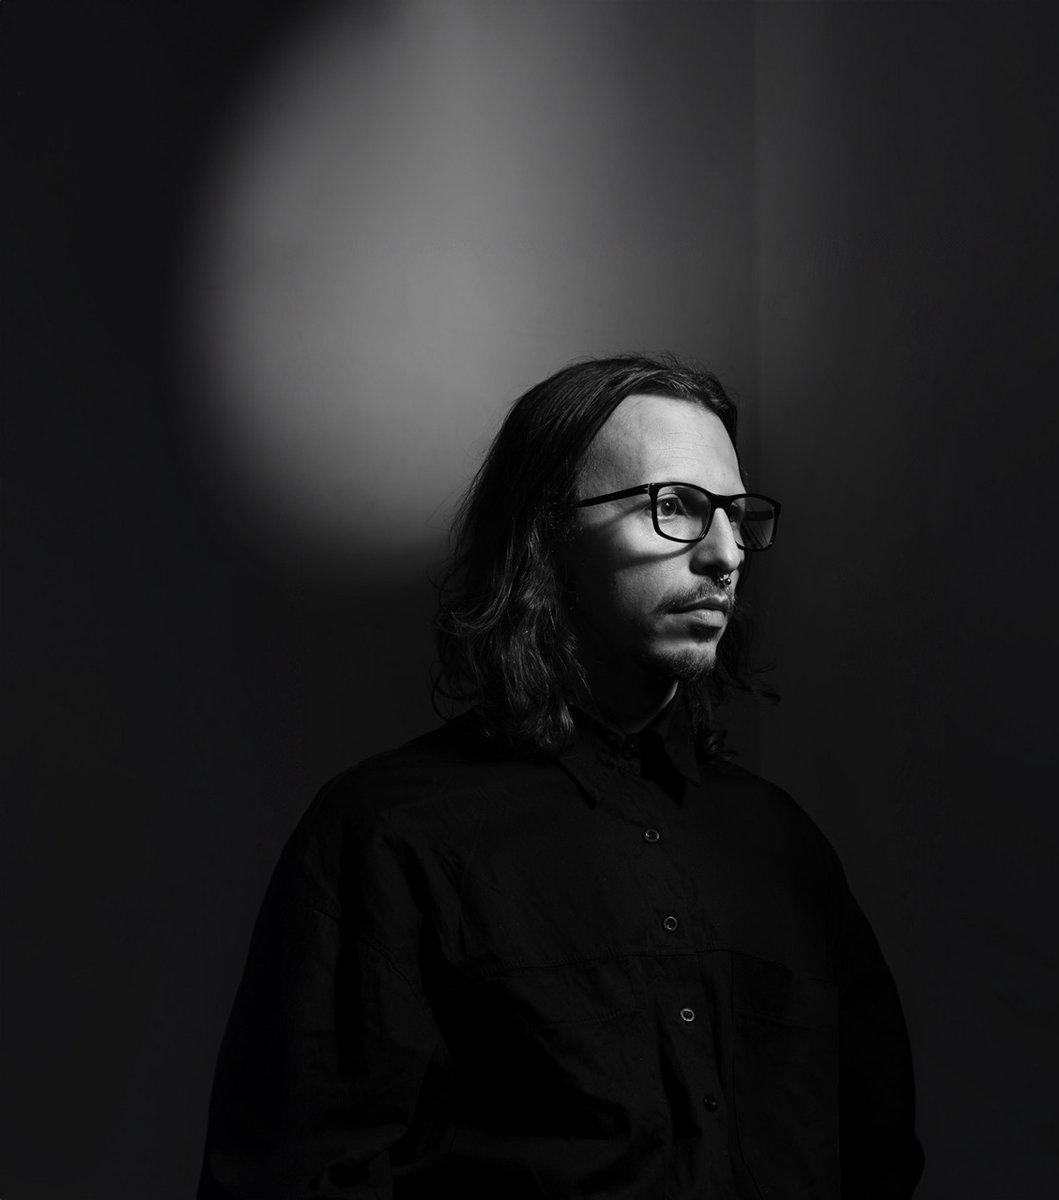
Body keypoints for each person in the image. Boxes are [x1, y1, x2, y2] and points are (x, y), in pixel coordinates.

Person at [198, 354, 924, 1199]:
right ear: (546, 533)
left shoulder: (784, 846)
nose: (726, 554)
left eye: (736, 515)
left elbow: (877, 1159)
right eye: (676, 507)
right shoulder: (391, 835)